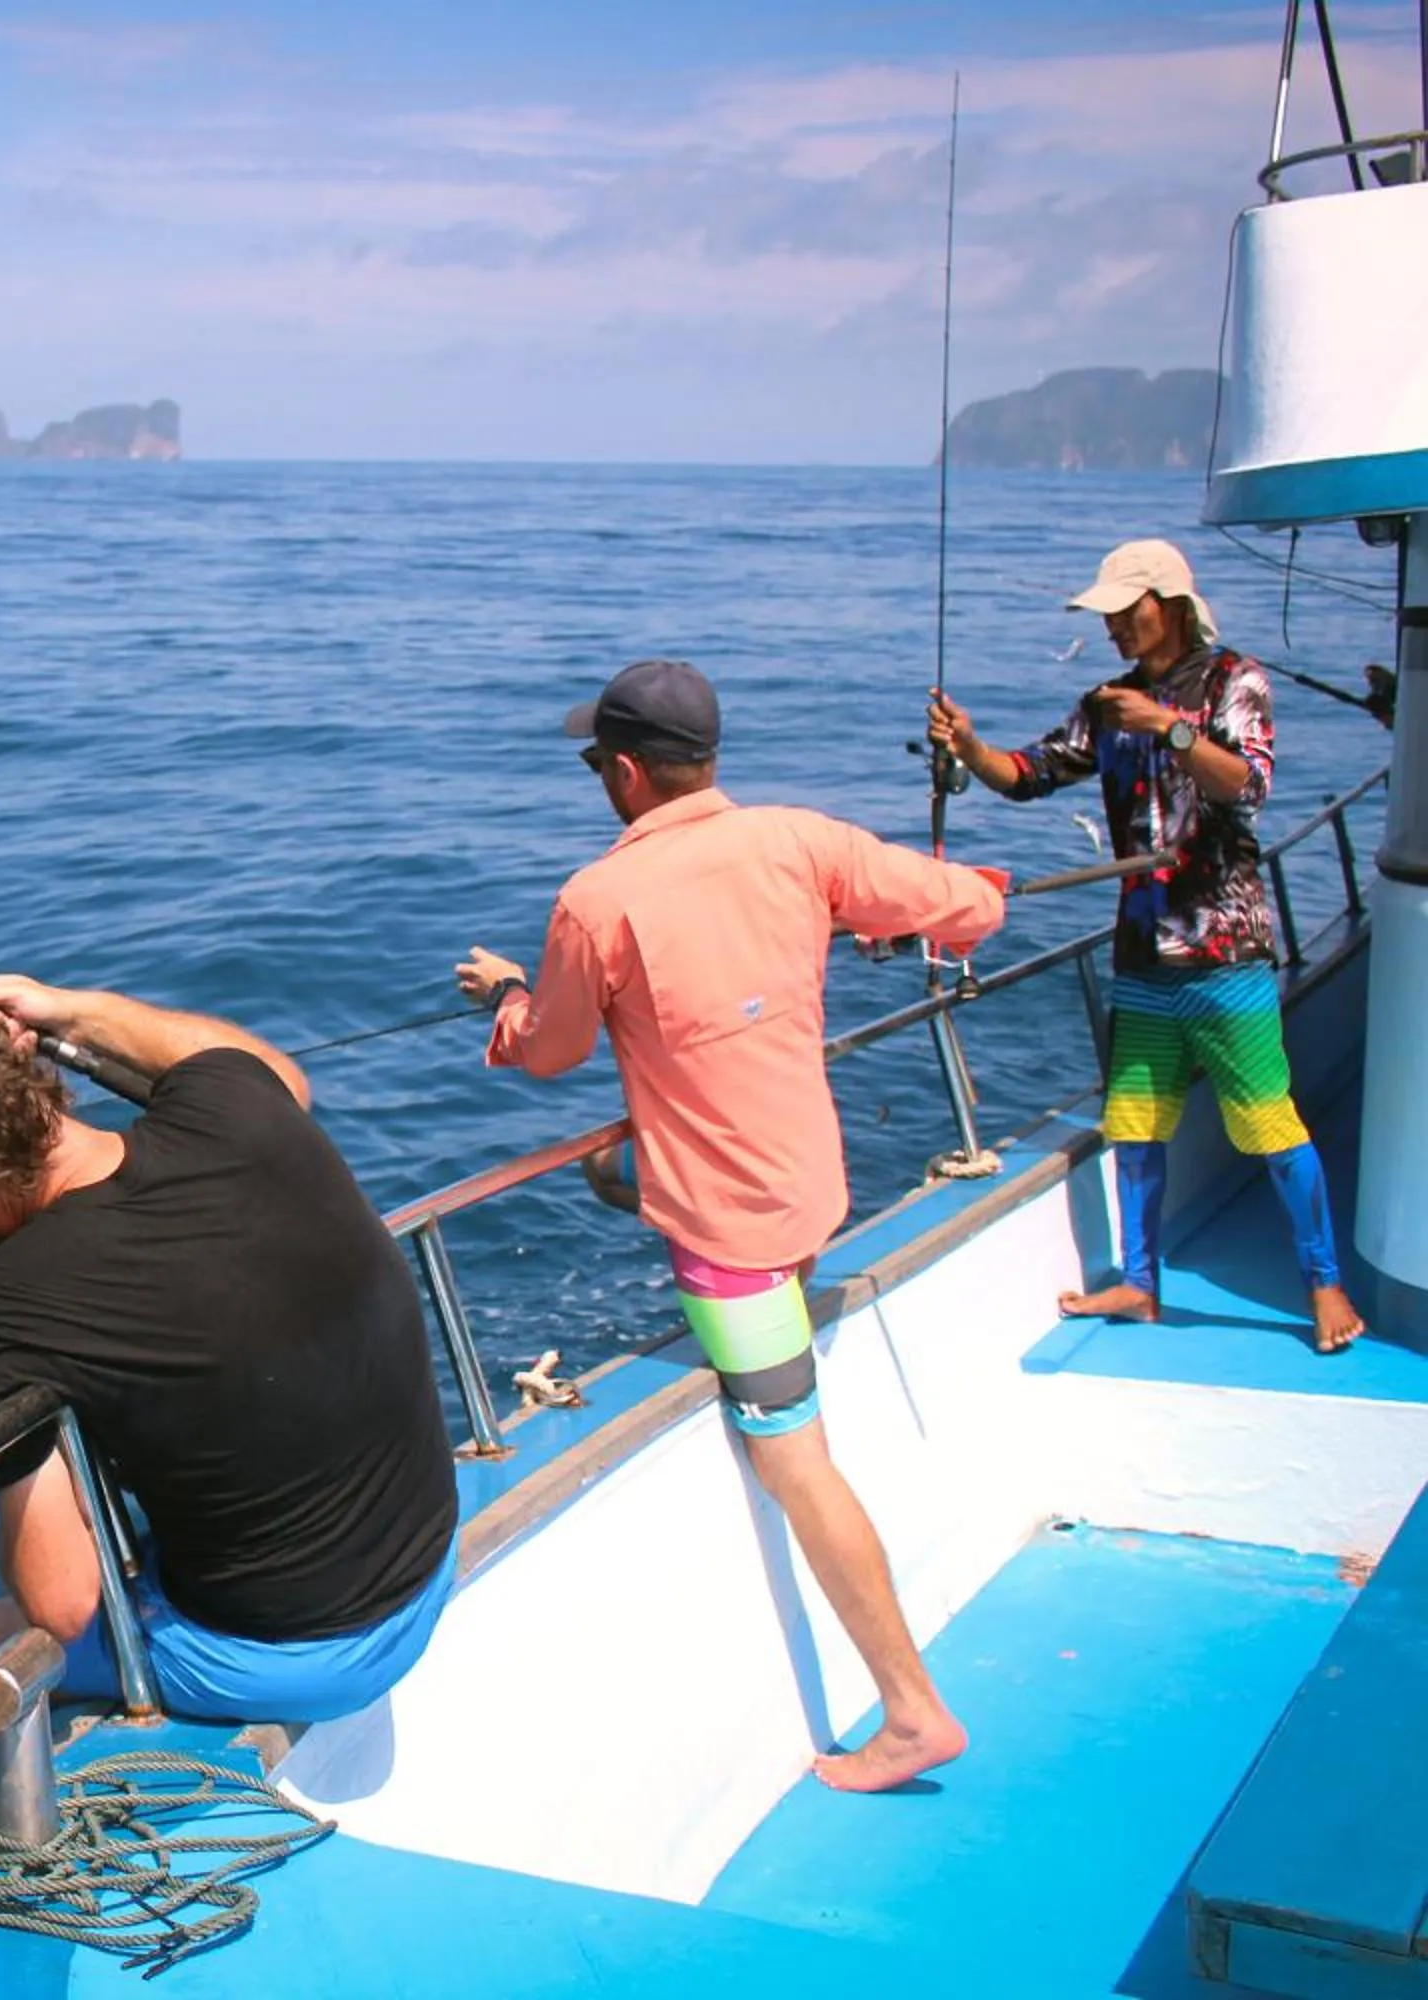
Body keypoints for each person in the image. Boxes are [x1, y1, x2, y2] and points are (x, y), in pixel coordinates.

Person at [455, 657, 1007, 1792]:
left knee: (797, 1460)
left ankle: (911, 1710)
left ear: (622, 771)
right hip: (809, 1186)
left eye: (592, 764)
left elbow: (552, 1050)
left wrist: (508, 1000)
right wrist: (980, 892)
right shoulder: (804, 841)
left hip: (728, 1235)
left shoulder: (597, 900)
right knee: (640, 1172)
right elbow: (968, 906)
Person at [0, 978, 459, 1794]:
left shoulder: (11, 1304)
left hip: (302, 1658)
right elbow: (270, 1067)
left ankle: (10, 1884)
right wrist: (66, 1008)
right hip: (431, 1563)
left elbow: (64, 1601)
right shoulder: (241, 1109)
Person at [926, 539, 1363, 1353]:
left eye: (1127, 611)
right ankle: (1140, 1284)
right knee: (1135, 1127)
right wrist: (970, 748)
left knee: (1272, 1126)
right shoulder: (1107, 702)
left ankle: (1324, 1282)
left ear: (1168, 602)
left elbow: (1252, 785)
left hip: (1226, 953)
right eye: (1109, 615)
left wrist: (1170, 731)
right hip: (1142, 957)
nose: (1116, 626)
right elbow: (1029, 774)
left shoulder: (1238, 682)